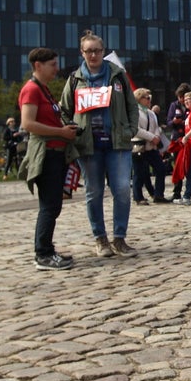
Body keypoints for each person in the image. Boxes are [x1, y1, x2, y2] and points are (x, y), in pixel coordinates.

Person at [61, 31, 140, 259]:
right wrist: (72, 129)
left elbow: (131, 106)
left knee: (123, 190)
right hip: (89, 145)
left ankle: (119, 238)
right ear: (82, 52)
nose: (93, 54)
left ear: (103, 51)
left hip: (117, 143)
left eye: (97, 50)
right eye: (89, 51)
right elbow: (64, 110)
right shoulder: (75, 79)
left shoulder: (116, 75)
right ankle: (100, 238)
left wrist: (131, 130)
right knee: (93, 193)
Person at [18, 47, 79, 270]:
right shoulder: (31, 90)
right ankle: (42, 254)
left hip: (56, 152)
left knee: (53, 205)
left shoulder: (44, 90)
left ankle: (47, 249)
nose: (57, 69)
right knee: (49, 206)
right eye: (52, 64)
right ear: (38, 66)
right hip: (45, 153)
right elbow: (28, 123)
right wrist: (61, 132)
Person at [131, 88, 168, 204]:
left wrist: (156, 137)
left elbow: (156, 127)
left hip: (151, 147)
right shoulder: (134, 112)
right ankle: (138, 197)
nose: (149, 100)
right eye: (146, 98)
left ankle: (158, 194)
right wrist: (151, 137)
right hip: (139, 146)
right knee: (139, 172)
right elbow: (136, 130)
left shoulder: (151, 113)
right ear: (139, 98)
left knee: (161, 168)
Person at [165, 83, 191, 202]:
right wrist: (175, 122)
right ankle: (177, 192)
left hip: (188, 138)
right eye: (179, 97)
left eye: (183, 97)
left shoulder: (190, 106)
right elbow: (169, 122)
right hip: (177, 139)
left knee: (190, 166)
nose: (181, 100)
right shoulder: (173, 105)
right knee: (177, 166)